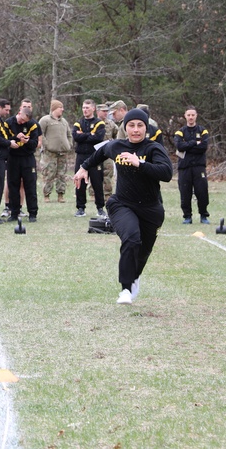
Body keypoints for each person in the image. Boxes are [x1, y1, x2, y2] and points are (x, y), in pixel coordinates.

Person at [73, 108, 173, 305]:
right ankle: (125, 289)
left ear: (146, 128)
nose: (135, 130)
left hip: (151, 209)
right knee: (131, 238)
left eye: (140, 126)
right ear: (125, 127)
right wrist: (84, 168)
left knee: (143, 251)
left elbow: (166, 173)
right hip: (122, 204)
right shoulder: (117, 146)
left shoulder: (154, 149)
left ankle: (134, 277)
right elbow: (100, 152)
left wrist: (140, 163)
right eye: (131, 125)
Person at [173, 106, 210, 225]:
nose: (190, 117)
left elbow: (203, 147)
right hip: (184, 167)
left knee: (202, 191)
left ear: (196, 116)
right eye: (188, 115)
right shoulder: (180, 131)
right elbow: (179, 146)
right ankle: (187, 216)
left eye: (192, 115)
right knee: (185, 192)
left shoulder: (203, 130)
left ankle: (203, 215)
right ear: (185, 116)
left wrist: (187, 146)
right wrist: (194, 143)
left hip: (199, 167)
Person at [5, 100, 40, 222]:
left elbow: (35, 143)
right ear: (19, 112)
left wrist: (27, 142)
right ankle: (14, 213)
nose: (22, 123)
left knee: (30, 186)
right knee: (12, 185)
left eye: (25, 122)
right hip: (13, 158)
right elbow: (3, 139)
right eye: (21, 120)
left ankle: (32, 213)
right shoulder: (8, 122)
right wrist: (15, 138)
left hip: (27, 158)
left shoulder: (33, 125)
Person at [73, 99, 106, 218]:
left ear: (93, 109)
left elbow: (98, 138)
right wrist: (89, 134)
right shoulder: (78, 123)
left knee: (97, 182)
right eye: (83, 108)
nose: (85, 110)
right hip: (81, 156)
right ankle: (80, 208)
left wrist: (83, 135)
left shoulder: (99, 123)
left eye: (87, 107)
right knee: (79, 182)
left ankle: (100, 208)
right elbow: (76, 137)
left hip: (95, 157)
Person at [39, 99, 73, 204]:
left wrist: (69, 144)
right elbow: (40, 133)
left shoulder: (64, 121)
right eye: (60, 108)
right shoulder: (45, 120)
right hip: (50, 154)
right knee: (49, 174)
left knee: (61, 174)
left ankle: (61, 195)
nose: (62, 109)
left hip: (63, 153)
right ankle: (46, 195)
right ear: (54, 108)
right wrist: (47, 144)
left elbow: (69, 135)